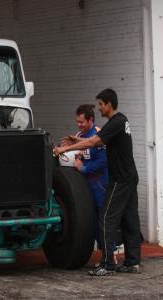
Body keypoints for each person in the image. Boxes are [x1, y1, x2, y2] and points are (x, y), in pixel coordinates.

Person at [54, 88, 141, 276]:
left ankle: (108, 264)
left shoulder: (115, 122)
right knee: (129, 219)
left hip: (120, 179)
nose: (99, 108)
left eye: (101, 104)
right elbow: (98, 142)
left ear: (109, 104)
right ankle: (132, 262)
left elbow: (93, 142)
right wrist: (76, 139)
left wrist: (62, 150)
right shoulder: (121, 121)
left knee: (105, 218)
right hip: (130, 177)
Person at [63, 104, 108, 250]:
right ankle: (102, 253)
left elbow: (103, 161)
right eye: (77, 122)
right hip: (85, 185)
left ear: (90, 120)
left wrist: (83, 168)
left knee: (104, 220)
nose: (79, 125)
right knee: (91, 220)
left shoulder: (98, 135)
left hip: (100, 184)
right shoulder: (78, 136)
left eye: (81, 122)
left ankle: (110, 255)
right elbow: (76, 155)